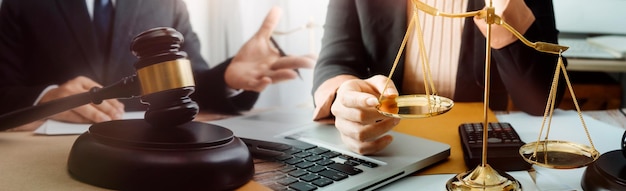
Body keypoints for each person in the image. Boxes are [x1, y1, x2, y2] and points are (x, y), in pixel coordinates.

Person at [0, 0, 314, 129]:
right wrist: (46, 98)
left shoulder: (167, 2)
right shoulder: (21, 4)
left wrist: (227, 78)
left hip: (154, 147)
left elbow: (193, 85)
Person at [312, 0, 565, 154]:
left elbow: (540, 100)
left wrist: (504, 7)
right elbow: (334, 61)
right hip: (388, 142)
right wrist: (346, 97)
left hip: (478, 147)